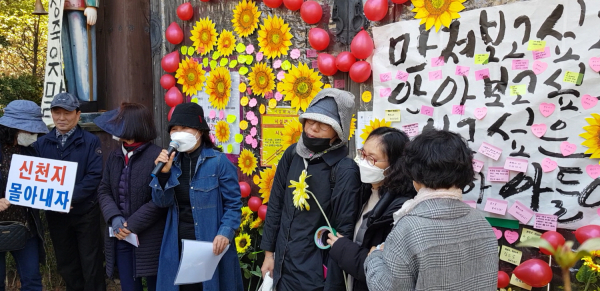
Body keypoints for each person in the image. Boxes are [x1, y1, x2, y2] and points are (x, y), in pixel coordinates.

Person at [364, 129, 498, 291]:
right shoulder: (481, 223)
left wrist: (374, 257)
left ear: (414, 172)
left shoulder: (408, 227)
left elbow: (386, 287)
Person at [260, 88, 361, 291]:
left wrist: (330, 280)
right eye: (310, 120)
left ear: (338, 132)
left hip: (315, 277)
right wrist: (269, 255)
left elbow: (344, 232)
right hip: (281, 268)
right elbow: (276, 205)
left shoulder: (344, 169)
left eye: (323, 125)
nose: (313, 129)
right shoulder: (292, 155)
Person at [151, 102, 243, 291]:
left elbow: (233, 205)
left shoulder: (218, 162)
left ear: (200, 131)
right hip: (177, 247)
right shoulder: (172, 163)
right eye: (174, 129)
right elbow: (161, 202)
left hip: (210, 247)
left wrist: (224, 233)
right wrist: (164, 174)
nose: (178, 133)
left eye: (184, 128)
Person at [326, 127, 416, 291]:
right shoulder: (363, 190)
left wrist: (342, 248)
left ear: (395, 165)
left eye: (372, 159)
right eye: (363, 154)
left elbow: (386, 271)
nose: (363, 162)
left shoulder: (402, 209)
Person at [34, 92, 105, 291]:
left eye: (67, 113)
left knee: (91, 264)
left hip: (85, 212)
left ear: (78, 114)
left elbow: (93, 176)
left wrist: (67, 197)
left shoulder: (91, 141)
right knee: (66, 265)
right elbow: (35, 178)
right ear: (51, 114)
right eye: (57, 113)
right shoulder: (41, 143)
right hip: (56, 214)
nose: (62, 118)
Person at [95, 103, 166, 291]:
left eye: (120, 122)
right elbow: (104, 189)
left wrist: (132, 224)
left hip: (150, 237)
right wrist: (115, 217)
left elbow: (160, 200)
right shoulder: (115, 155)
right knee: (128, 286)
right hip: (120, 236)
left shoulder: (157, 156)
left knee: (156, 285)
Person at [0, 101, 48, 291]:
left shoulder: (31, 150)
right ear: (13, 128)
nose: (32, 135)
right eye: (29, 131)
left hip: (26, 226)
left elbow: (42, 184)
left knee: (32, 280)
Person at [63, 0, 98, 102]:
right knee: (67, 53)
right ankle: (72, 97)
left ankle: (86, 98)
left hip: (79, 5)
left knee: (82, 52)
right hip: (59, 8)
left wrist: (92, 5)